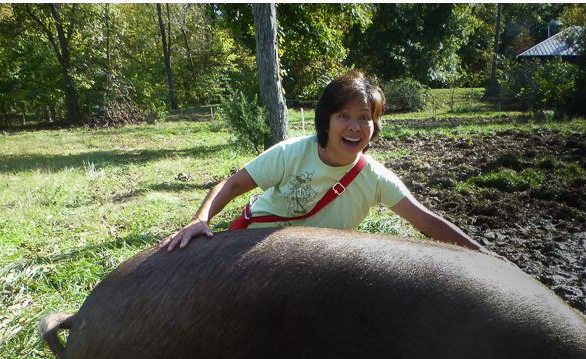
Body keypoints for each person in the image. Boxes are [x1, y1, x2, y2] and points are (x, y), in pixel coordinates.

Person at [159, 70, 486, 253]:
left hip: (314, 263)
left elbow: (426, 221)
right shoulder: (290, 153)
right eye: (343, 115)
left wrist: (484, 256)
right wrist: (200, 219)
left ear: (374, 126)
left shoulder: (376, 178)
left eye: (364, 117)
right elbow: (233, 185)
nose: (355, 127)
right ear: (326, 121)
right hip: (254, 246)